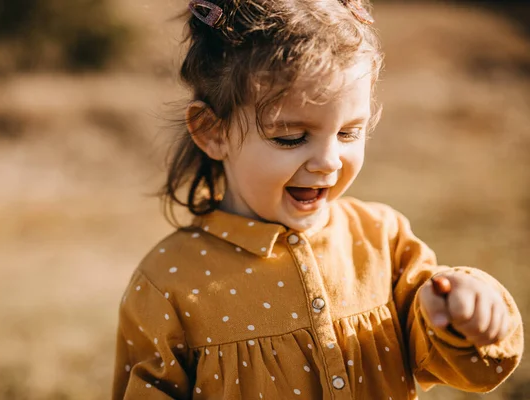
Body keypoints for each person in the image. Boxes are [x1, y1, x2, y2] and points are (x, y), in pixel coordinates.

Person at [111, 0, 524, 398]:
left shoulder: (382, 238)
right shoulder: (168, 283)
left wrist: (460, 315)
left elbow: (461, 367)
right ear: (212, 132)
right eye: (291, 138)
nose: (328, 162)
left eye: (348, 133)